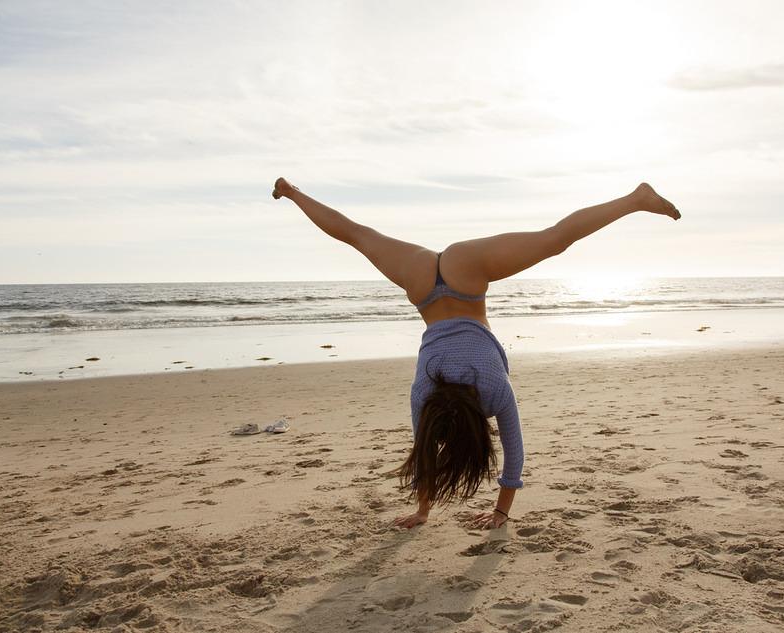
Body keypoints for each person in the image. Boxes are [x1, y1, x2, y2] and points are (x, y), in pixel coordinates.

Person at [272, 177, 680, 530]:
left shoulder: (494, 390)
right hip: (424, 283)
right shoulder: (424, 397)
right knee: (357, 235)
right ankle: (291, 192)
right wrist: (423, 509)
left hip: (467, 278)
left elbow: (514, 455)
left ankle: (634, 199)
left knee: (554, 240)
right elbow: (424, 456)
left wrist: (494, 513)